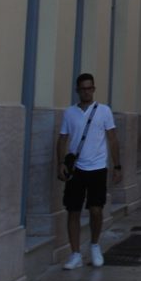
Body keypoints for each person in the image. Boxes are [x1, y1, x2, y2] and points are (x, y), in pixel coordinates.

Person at [56, 73, 121, 269]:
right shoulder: (70, 113)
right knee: (73, 210)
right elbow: (62, 138)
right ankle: (75, 253)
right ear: (77, 90)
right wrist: (61, 163)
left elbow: (112, 138)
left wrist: (117, 166)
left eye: (89, 88)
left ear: (94, 89)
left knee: (96, 209)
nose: (86, 92)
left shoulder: (104, 111)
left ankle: (94, 245)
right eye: (83, 89)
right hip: (77, 168)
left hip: (98, 167)